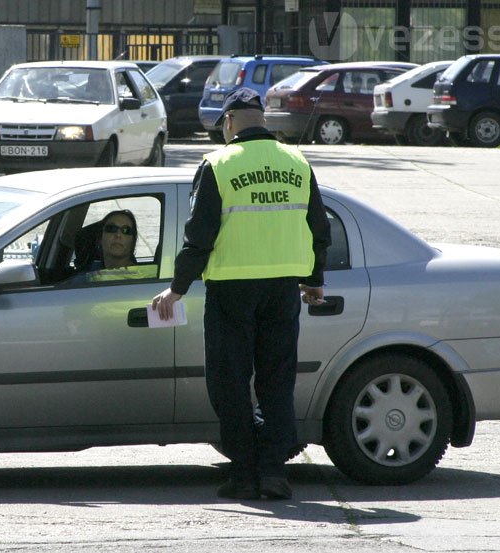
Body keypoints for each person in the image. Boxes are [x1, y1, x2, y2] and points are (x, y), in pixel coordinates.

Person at [151, 87, 331, 501]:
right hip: (284, 290)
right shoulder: (297, 162)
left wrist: (177, 289)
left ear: (229, 122)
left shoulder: (218, 164)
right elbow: (319, 228)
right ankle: (272, 473)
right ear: (262, 120)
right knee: (276, 382)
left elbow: (200, 236)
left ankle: (243, 473)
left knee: (230, 383)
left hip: (232, 291)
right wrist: (314, 280)